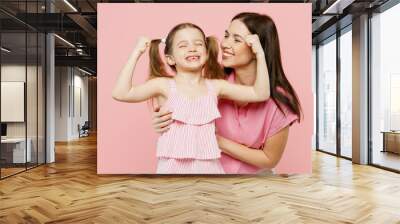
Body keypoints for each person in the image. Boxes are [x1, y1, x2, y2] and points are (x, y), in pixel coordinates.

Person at [152, 13, 302, 174]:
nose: (224, 44)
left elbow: (269, 159)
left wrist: (217, 141)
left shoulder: (280, 101)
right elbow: (180, 113)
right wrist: (162, 122)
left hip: (253, 183)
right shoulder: (211, 83)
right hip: (205, 176)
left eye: (237, 40)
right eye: (226, 35)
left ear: (258, 49)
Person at [112, 22, 270, 174]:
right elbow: (121, 93)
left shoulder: (215, 87)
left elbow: (260, 93)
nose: (192, 48)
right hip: (171, 171)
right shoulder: (163, 85)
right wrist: (136, 52)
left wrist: (259, 54)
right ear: (170, 59)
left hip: (210, 170)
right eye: (183, 45)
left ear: (207, 53)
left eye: (198, 44)